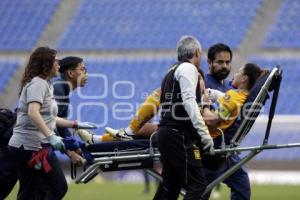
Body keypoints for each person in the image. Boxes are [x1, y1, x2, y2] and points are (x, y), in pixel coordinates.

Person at [7, 46, 97, 200]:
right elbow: (33, 113)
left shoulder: (46, 85)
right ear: (46, 64)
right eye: (55, 61)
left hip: (31, 145)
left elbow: (49, 118)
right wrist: (53, 138)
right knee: (57, 187)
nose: (58, 65)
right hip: (32, 146)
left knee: (31, 191)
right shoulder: (40, 84)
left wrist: (75, 124)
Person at [153, 35, 213, 200]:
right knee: (198, 184)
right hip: (177, 134)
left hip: (166, 132)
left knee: (171, 186)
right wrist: (205, 134)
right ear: (197, 52)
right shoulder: (188, 69)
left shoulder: (171, 71)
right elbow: (189, 101)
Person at [201, 63, 267, 200]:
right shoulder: (241, 97)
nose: (235, 74)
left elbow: (210, 121)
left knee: (201, 189)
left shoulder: (232, 96)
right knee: (241, 183)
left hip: (208, 145)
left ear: (244, 79)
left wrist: (205, 104)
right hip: (217, 147)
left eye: (238, 72)